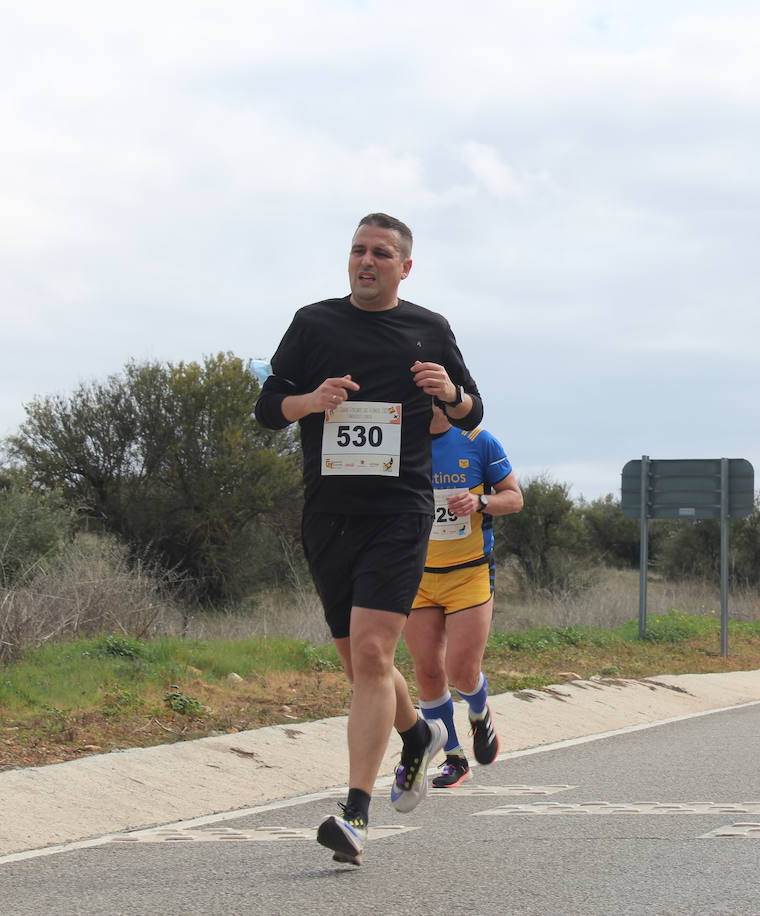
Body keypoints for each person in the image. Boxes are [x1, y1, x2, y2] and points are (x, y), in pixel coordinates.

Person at [255, 213, 483, 866]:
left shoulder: (427, 329)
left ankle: (355, 813)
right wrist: (309, 401)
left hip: (399, 513)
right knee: (362, 667)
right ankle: (417, 738)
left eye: (381, 252)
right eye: (357, 250)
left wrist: (452, 394)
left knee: (379, 654)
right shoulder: (314, 324)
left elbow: (473, 408)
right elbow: (267, 406)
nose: (366, 260)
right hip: (328, 514)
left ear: (404, 266)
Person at [404, 406, 523, 788]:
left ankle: (479, 712)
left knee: (461, 671)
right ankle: (454, 757)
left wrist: (480, 502)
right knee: (426, 670)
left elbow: (514, 498)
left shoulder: (478, 441)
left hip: (468, 573)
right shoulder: (402, 442)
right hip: (417, 575)